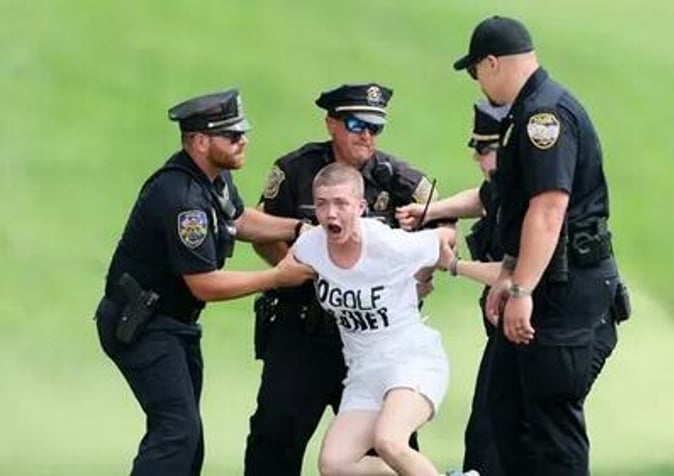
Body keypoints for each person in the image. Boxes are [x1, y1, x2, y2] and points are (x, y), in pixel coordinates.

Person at [94, 88, 315, 476]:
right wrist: (277, 277)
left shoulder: (214, 178)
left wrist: (300, 228)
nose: (243, 140)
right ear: (199, 141)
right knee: (177, 431)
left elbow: (239, 220)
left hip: (172, 324)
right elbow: (205, 284)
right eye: (232, 135)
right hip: (144, 325)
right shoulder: (182, 201)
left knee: (186, 436)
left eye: (242, 132)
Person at [452, 15, 630, 475]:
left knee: (551, 427)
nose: (478, 85)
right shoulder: (523, 114)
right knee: (505, 414)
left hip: (565, 291)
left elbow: (549, 210)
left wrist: (520, 289)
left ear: (491, 63)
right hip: (547, 283)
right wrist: (510, 272)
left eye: (475, 73)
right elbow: (514, 208)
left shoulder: (542, 118)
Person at [244, 83, 439, 476]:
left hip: (375, 342)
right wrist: (299, 268)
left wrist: (419, 279)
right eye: (355, 124)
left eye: (375, 127)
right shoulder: (296, 169)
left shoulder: (398, 178)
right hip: (304, 330)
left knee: (390, 447)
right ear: (331, 123)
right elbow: (259, 229)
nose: (366, 134)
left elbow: (441, 231)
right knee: (275, 435)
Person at [292, 163, 473, 476]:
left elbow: (443, 238)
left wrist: (422, 276)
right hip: (364, 372)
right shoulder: (310, 247)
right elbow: (283, 270)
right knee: (336, 465)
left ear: (361, 207)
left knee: (390, 442)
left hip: (411, 360)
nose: (331, 214)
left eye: (341, 203)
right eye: (322, 204)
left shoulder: (388, 244)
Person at [395, 99, 508, 476]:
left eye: (485, 149)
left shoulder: (532, 195)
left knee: (513, 437)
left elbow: (517, 273)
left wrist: (454, 265)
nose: (478, 157)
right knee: (486, 433)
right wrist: (435, 210)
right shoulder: (506, 184)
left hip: (540, 324)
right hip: (507, 329)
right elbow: (483, 196)